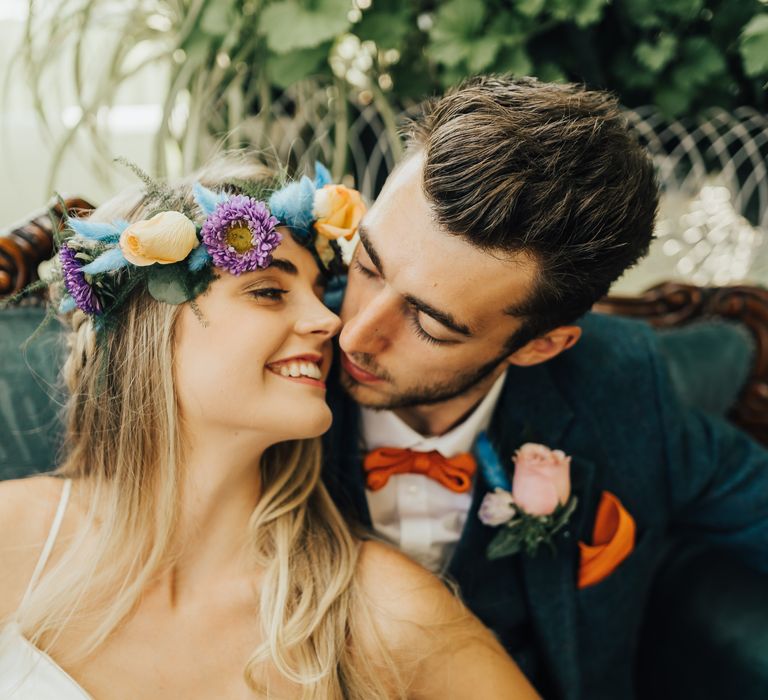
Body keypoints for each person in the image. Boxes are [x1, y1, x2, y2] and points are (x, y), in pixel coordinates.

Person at [0, 160, 539, 699]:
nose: (332, 321)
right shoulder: (12, 535)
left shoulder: (381, 611)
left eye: (320, 287)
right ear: (151, 325)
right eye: (268, 290)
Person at [322, 76, 768, 699]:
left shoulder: (622, 385)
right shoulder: (265, 360)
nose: (355, 335)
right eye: (367, 265)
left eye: (429, 322)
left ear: (541, 345)